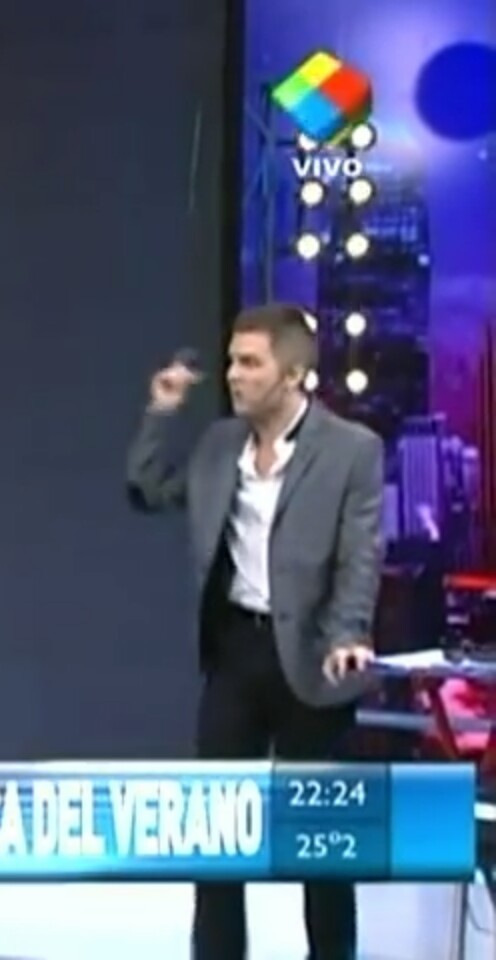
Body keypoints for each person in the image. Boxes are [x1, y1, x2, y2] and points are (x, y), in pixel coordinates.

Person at [126, 303, 382, 959]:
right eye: (232, 362)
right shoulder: (219, 446)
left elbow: (360, 555)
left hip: (314, 656)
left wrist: (349, 633)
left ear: (292, 374)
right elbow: (148, 487)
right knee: (219, 834)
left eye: (250, 363)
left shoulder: (351, 450)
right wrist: (161, 412)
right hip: (236, 653)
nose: (234, 376)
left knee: (322, 844)